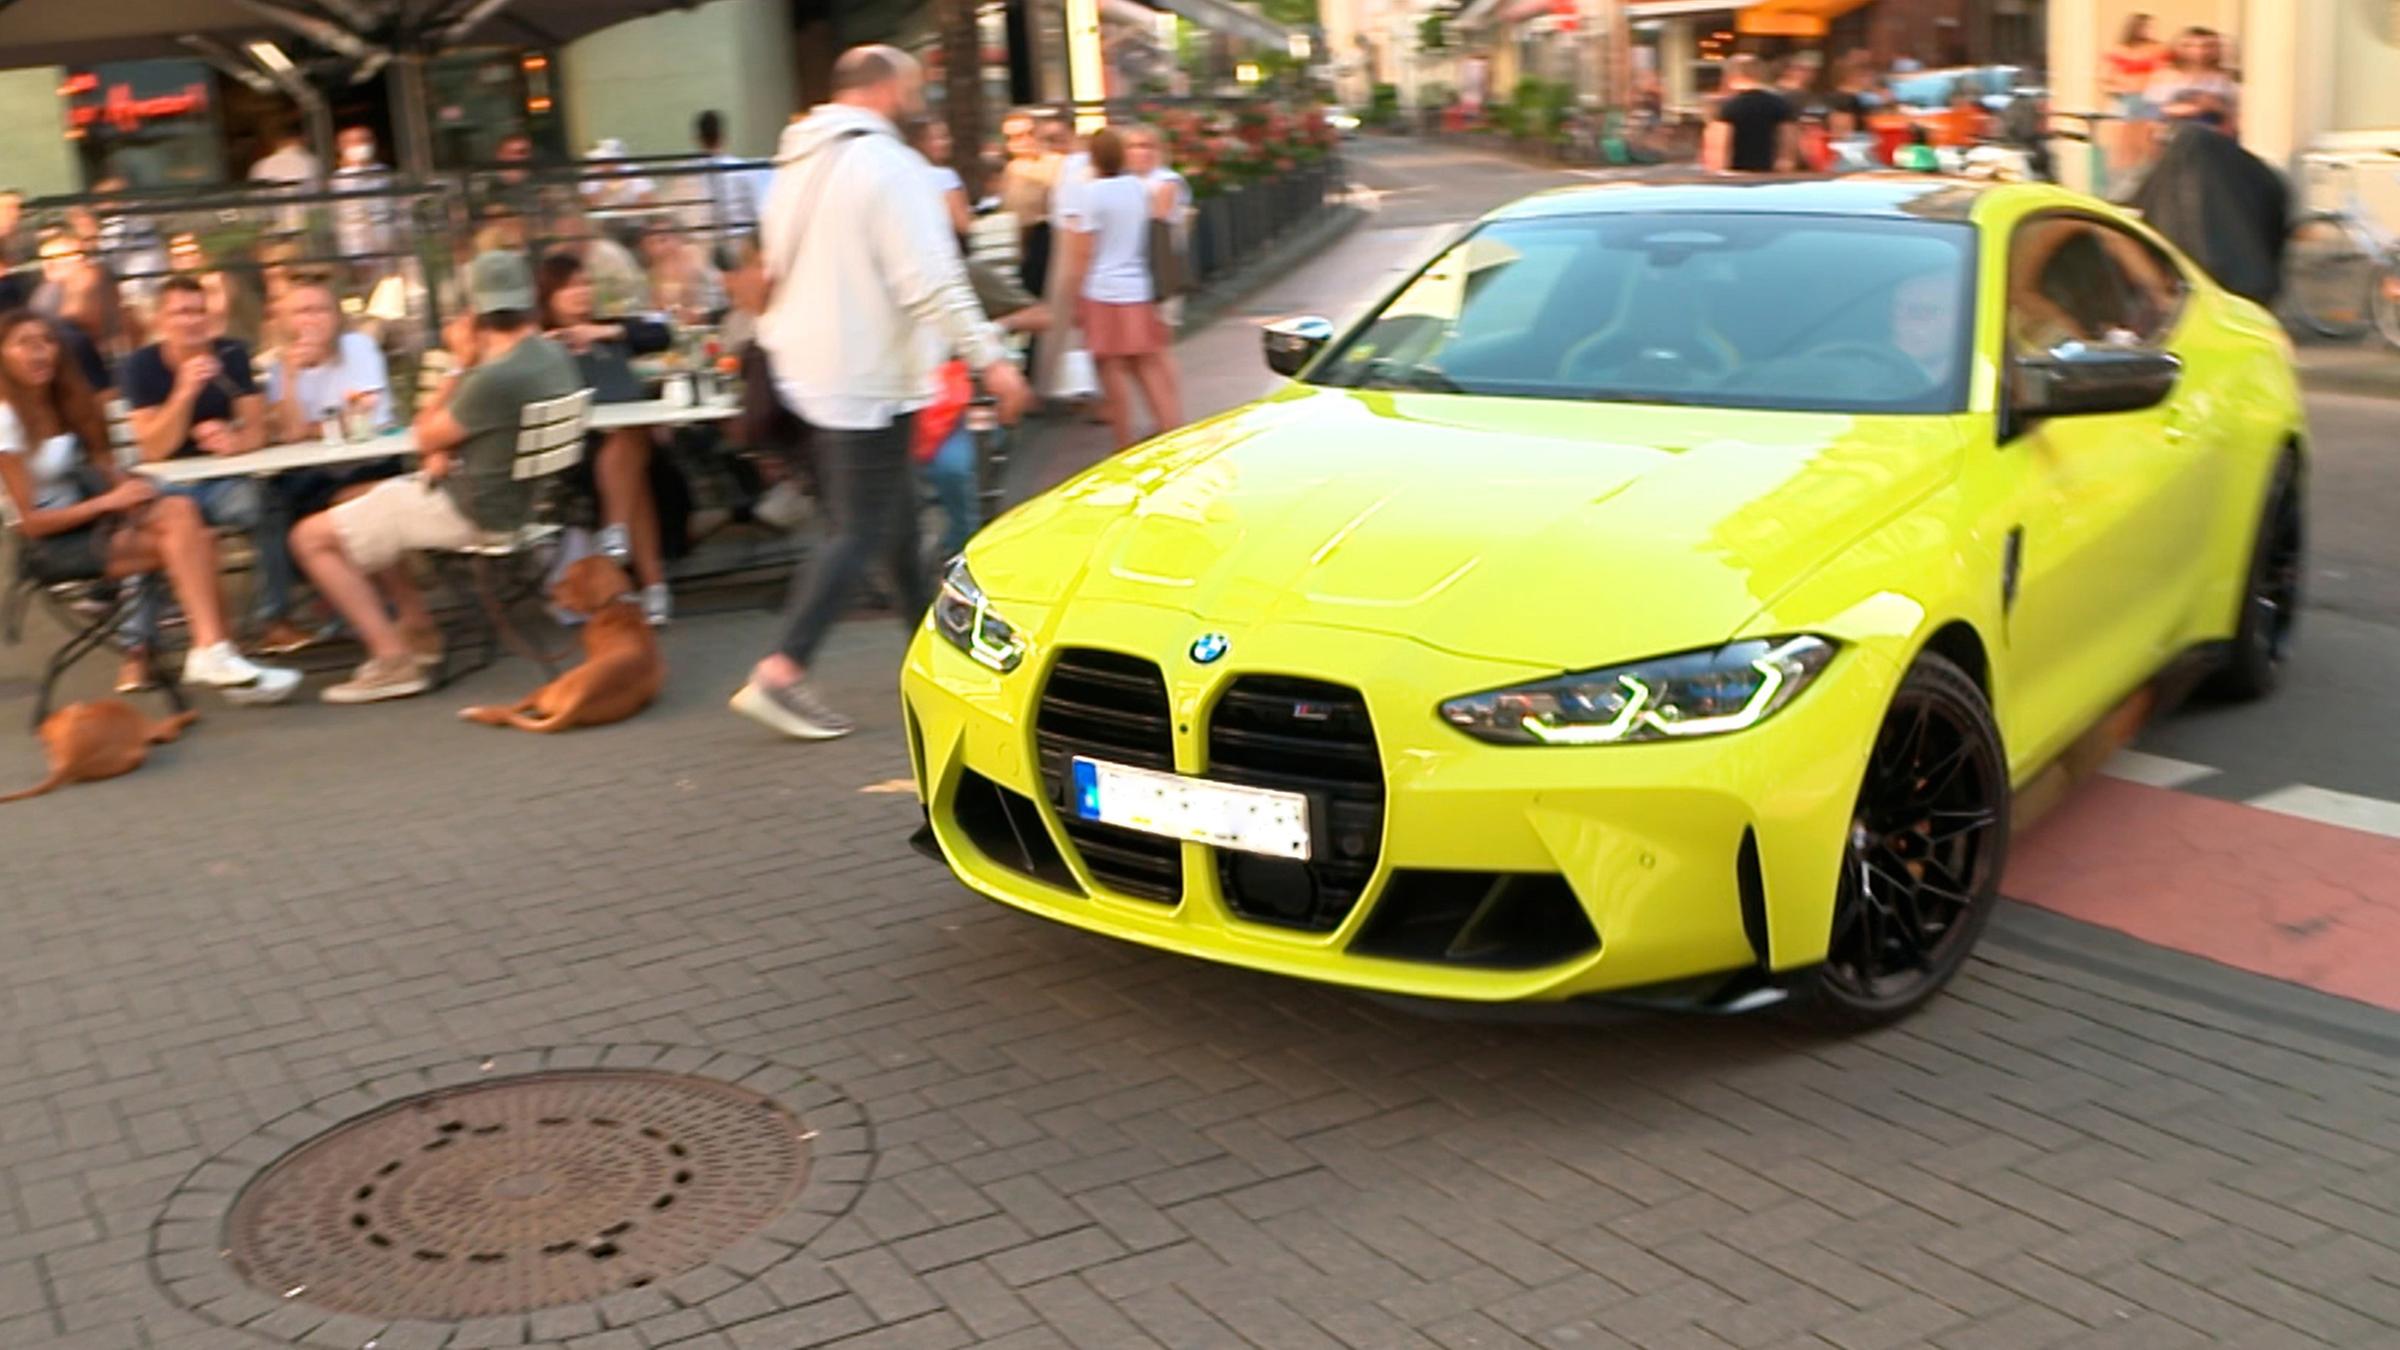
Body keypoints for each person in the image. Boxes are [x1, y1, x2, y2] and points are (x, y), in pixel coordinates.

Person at [732, 43, 1031, 741]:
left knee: (892, 528)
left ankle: (929, 661)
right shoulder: (890, 168)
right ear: (889, 90)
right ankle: (782, 670)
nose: (919, 98)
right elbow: (930, 279)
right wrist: (993, 361)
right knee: (860, 529)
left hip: (809, 371)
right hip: (864, 378)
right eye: (915, 86)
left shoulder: (797, 161)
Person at [290, 252, 580, 703]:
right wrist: (446, 448)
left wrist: (459, 362)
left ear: (474, 313)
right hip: (523, 505)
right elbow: (471, 434)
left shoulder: (492, 378)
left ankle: (393, 661)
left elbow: (423, 432)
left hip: (473, 512)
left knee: (309, 538)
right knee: (361, 497)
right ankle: (417, 627)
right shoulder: (552, 356)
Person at [0, 310, 299, 703]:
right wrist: (111, 500)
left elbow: (107, 471)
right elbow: (32, 524)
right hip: (54, 547)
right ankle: (218, 656)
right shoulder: (6, 419)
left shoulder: (67, 403)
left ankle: (217, 655)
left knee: (183, 515)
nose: (40, 352)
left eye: (47, 341)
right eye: (24, 343)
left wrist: (133, 489)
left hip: (99, 525)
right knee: (197, 539)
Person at [538, 252, 676, 624]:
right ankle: (653, 586)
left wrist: (601, 332)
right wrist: (555, 344)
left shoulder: (609, 331)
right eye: (569, 287)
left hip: (627, 447)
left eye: (585, 283)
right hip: (575, 457)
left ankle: (618, 538)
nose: (581, 293)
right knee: (634, 471)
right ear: (549, 296)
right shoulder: (541, 347)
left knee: (629, 441)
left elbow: (662, 333)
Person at [1059, 128, 1180, 451]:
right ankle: (1173, 432)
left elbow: (1083, 252)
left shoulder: (1090, 195)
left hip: (1101, 289)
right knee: (1149, 363)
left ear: (1094, 158)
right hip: (1138, 286)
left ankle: (1123, 442)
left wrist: (1075, 298)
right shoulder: (1140, 189)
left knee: (1111, 367)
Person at [997, 112, 1060, 296]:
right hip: (1020, 246)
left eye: (1028, 134)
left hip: (1048, 240)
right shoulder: (1011, 169)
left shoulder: (1056, 163)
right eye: (1013, 137)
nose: (1022, 141)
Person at [1704, 55, 1797, 174]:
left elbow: (1717, 147)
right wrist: (1785, 165)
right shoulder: (1779, 104)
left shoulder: (1727, 106)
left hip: (1735, 175)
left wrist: (1717, 171)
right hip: (1770, 175)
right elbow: (1789, 140)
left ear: (1731, 75)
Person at [2145, 28, 2239, 136]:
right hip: (2172, 138)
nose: (2198, 51)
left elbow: (2233, 117)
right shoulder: (2164, 76)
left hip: (2212, 138)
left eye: (2207, 46)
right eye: (2190, 46)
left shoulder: (2224, 78)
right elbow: (2150, 114)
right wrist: (2187, 109)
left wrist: (2216, 106)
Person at [330, 126, 399, 271]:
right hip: (352, 251)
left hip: (389, 249)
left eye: (364, 140)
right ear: (341, 147)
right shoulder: (335, 182)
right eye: (353, 142)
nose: (360, 145)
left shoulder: (385, 174)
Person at [691, 110, 769, 237]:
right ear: (723, 137)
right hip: (740, 239)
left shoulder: (687, 174)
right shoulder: (743, 170)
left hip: (703, 242)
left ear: (697, 139)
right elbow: (758, 212)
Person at [637, 222, 725, 326]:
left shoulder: (697, 260)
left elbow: (715, 302)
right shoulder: (649, 275)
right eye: (651, 243)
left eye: (663, 240)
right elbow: (648, 313)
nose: (658, 248)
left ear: (678, 239)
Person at [908, 117, 975, 237]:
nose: (947, 142)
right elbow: (963, 224)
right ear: (920, 143)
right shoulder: (945, 176)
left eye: (946, 137)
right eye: (939, 138)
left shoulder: (905, 175)